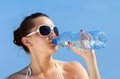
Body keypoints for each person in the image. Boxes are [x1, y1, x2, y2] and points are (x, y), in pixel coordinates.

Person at [7, 12, 101, 79]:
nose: (53, 35)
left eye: (55, 30)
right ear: (27, 41)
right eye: (45, 30)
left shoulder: (72, 69)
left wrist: (90, 58)